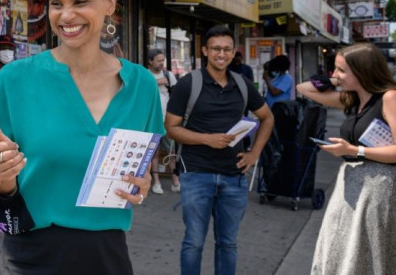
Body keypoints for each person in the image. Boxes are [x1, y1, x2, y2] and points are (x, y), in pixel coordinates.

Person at [0, 0, 164, 274]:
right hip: (29, 256)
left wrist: (142, 184)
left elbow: (141, 172)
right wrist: (1, 176)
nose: (66, 16)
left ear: (109, 3)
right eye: (56, 3)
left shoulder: (142, 86)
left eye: (81, 1)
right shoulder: (15, 79)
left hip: (107, 254)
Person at [165, 25, 274, 275]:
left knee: (228, 243)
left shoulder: (242, 84)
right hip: (195, 174)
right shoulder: (188, 84)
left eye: (226, 49)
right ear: (205, 51)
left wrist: (254, 153)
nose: (221, 54)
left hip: (233, 176)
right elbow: (171, 128)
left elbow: (267, 118)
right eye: (215, 49)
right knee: (193, 243)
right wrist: (207, 139)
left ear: (234, 51)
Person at [296, 43, 396, 275]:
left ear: (362, 70)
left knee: (367, 252)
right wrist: (335, 81)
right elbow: (303, 88)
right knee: (340, 247)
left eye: (341, 70)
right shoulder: (351, 99)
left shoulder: (389, 98)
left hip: (378, 188)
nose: (334, 75)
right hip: (350, 185)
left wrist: (355, 150)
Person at [147, 48, 180, 194]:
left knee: (171, 151)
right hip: (151, 119)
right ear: (150, 61)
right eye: (159, 61)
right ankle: (156, 182)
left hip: (167, 118)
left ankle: (175, 181)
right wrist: (157, 82)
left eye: (163, 60)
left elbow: (177, 93)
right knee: (153, 152)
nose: (162, 63)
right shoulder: (145, 75)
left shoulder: (169, 75)